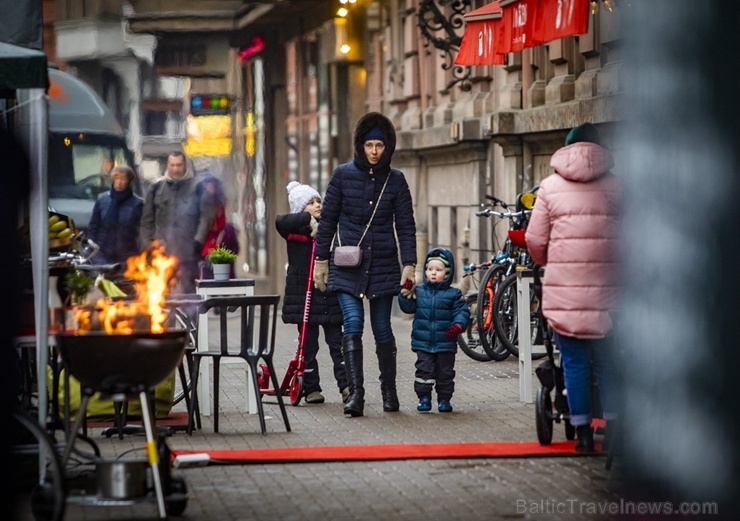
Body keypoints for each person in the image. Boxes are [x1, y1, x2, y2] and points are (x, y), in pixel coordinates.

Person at [524, 122, 622, 452]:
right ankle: (614, 429)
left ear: (566, 148)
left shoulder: (550, 187)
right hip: (609, 294)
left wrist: (549, 259)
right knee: (608, 362)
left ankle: (580, 433)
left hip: (565, 293)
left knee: (575, 363)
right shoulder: (618, 187)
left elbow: (535, 241)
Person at [313, 112, 417, 417]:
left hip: (384, 263)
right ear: (361, 145)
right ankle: (356, 394)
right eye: (369, 145)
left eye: (379, 146)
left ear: (388, 147)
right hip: (348, 263)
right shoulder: (342, 175)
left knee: (383, 328)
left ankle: (389, 391)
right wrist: (321, 260)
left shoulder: (395, 180)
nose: (374, 151)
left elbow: (406, 225)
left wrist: (409, 265)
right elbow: (328, 219)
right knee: (354, 323)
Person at [276, 181, 349, 404]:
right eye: (311, 203)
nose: (318, 205)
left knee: (338, 343)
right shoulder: (293, 229)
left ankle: (346, 386)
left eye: (319, 201)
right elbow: (280, 220)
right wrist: (308, 221)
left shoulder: (330, 226)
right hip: (304, 295)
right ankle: (311, 387)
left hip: (328, 292)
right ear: (301, 208)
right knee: (308, 344)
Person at [398, 248, 470, 413]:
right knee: (424, 370)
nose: (433, 273)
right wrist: (405, 293)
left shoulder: (454, 294)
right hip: (423, 343)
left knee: (445, 373)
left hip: (445, 342)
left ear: (447, 273)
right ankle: (424, 398)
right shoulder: (420, 291)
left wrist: (458, 326)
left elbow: (462, 312)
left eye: (438, 270)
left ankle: (444, 399)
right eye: (430, 269)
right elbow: (408, 307)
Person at [140, 151, 215, 294]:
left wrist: (197, 242)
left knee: (189, 297)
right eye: (172, 165)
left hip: (188, 254)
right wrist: (148, 245)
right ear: (167, 165)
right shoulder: (156, 189)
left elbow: (206, 218)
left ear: (185, 165)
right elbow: (146, 221)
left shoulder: (198, 188)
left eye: (179, 165)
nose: (175, 169)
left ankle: (190, 317)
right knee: (161, 297)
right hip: (162, 254)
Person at [87, 165, 143, 265]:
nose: (119, 182)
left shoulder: (137, 203)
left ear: (129, 181)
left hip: (126, 253)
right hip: (102, 251)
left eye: (123, 178)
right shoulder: (102, 199)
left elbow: (142, 230)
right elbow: (93, 226)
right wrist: (91, 246)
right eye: (116, 178)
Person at [198, 173, 239, 279]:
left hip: (217, 248)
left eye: (212, 185)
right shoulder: (200, 206)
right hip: (205, 250)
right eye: (207, 185)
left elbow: (221, 225)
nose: (210, 188)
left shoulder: (220, 206)